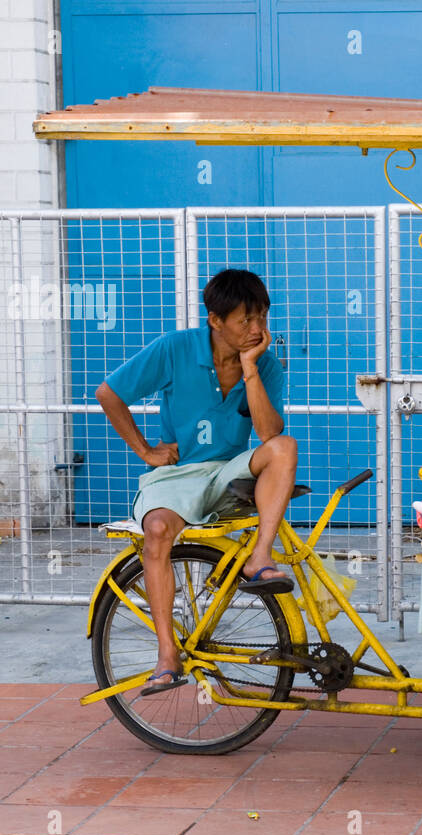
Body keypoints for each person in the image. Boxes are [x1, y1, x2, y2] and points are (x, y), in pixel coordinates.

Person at [96, 269, 299, 694]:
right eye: (246, 320)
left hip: (229, 472)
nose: (257, 329)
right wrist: (146, 451)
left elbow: (267, 434)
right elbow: (109, 393)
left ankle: (259, 557)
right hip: (178, 474)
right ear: (215, 320)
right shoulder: (175, 349)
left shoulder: (265, 362)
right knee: (156, 530)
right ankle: (167, 655)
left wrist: (250, 369)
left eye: (262, 317)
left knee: (285, 447)